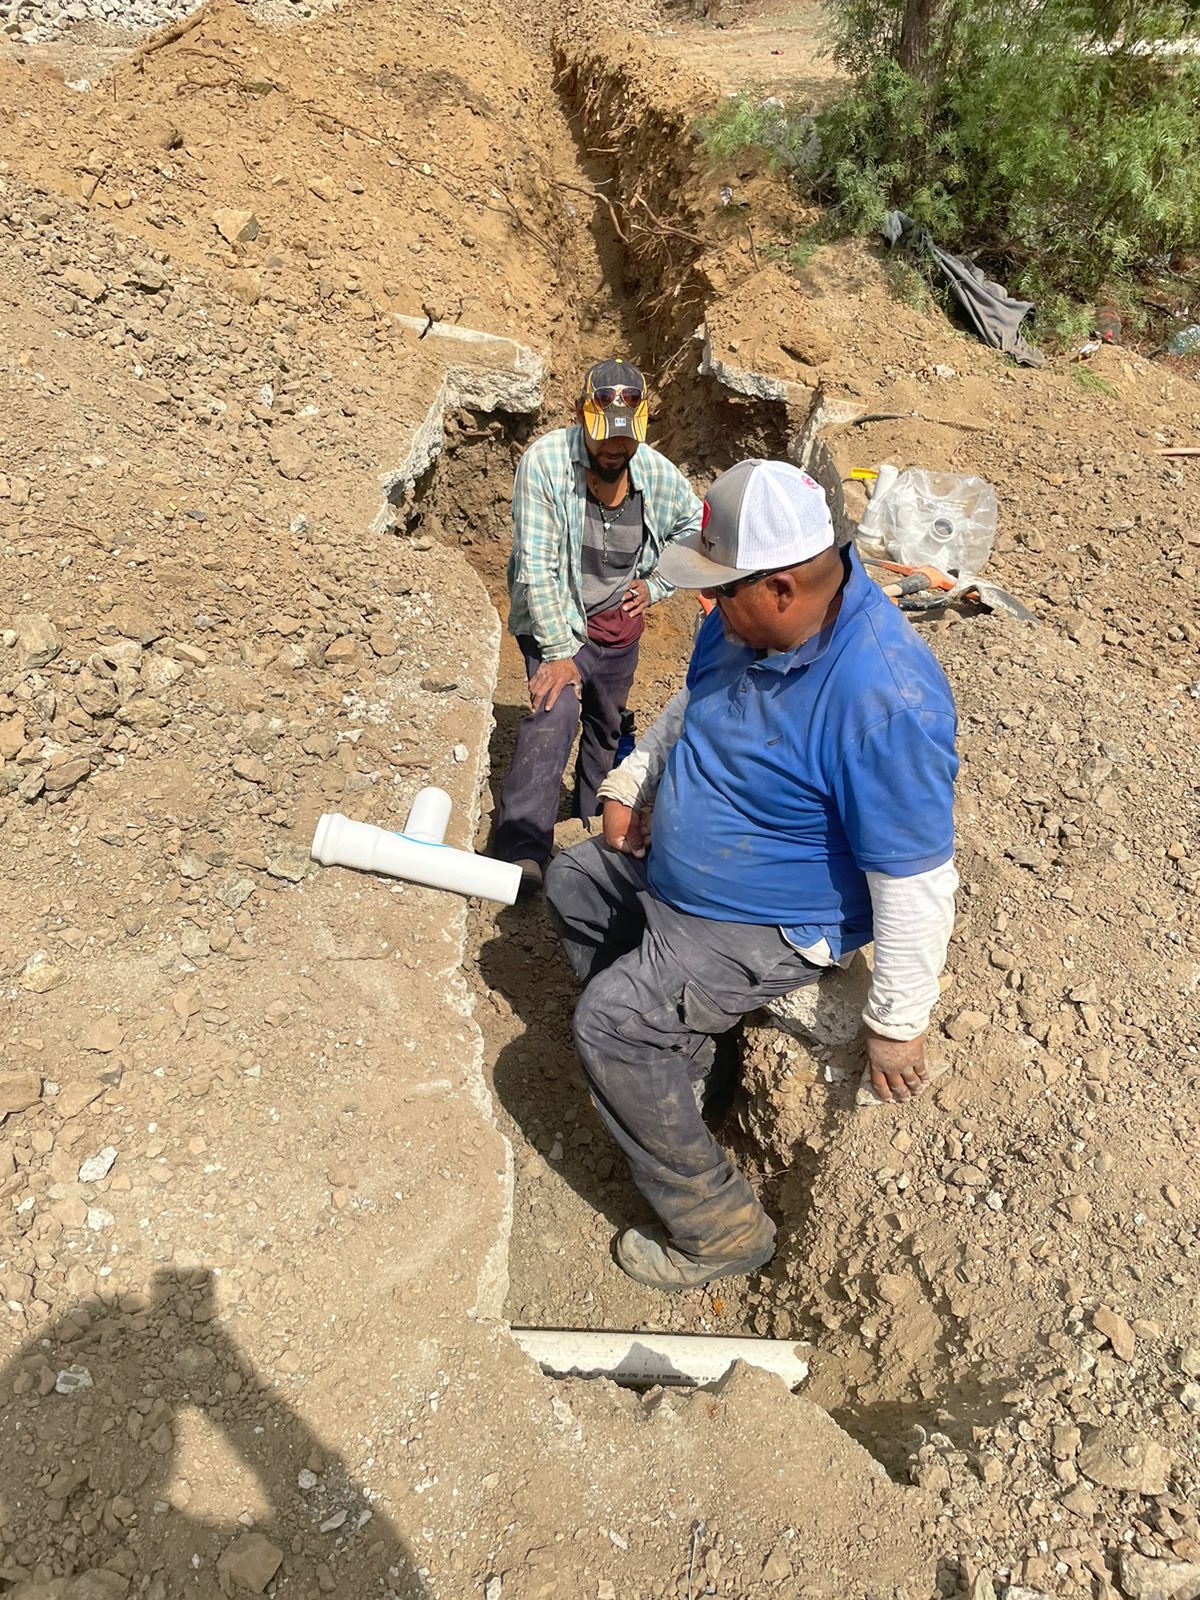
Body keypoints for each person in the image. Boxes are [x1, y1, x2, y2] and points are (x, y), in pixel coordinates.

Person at [545, 459, 959, 1292]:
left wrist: (898, 1018)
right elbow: (692, 708)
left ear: (778, 589)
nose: (707, 607)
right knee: (575, 885)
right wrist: (636, 779)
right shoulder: (745, 624)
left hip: (763, 918)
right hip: (683, 875)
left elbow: (916, 877)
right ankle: (684, 1065)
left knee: (612, 1023)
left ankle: (721, 1229)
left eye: (719, 591)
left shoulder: (883, 697)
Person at [491, 359, 702, 893]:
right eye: (604, 440)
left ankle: (588, 818)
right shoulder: (545, 462)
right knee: (553, 707)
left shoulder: (654, 473)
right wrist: (559, 652)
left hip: (616, 625)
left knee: (606, 724)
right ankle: (522, 844)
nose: (614, 451)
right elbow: (536, 564)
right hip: (555, 612)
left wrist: (655, 586)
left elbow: (696, 526)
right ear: (581, 419)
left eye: (624, 443)